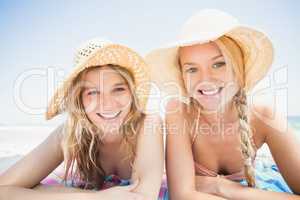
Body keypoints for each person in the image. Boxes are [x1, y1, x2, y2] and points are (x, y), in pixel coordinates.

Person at [146, 9, 300, 200]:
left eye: (219, 64)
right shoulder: (179, 111)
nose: (205, 79)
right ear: (182, 76)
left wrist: (219, 186)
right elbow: (182, 195)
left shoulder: (265, 115)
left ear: (240, 68)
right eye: (192, 69)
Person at [0, 38, 164, 200]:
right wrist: (96, 197)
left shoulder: (148, 124)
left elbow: (142, 196)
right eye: (93, 92)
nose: (107, 104)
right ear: (79, 100)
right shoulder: (70, 132)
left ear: (131, 93)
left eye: (119, 89)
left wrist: (48, 193)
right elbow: (4, 188)